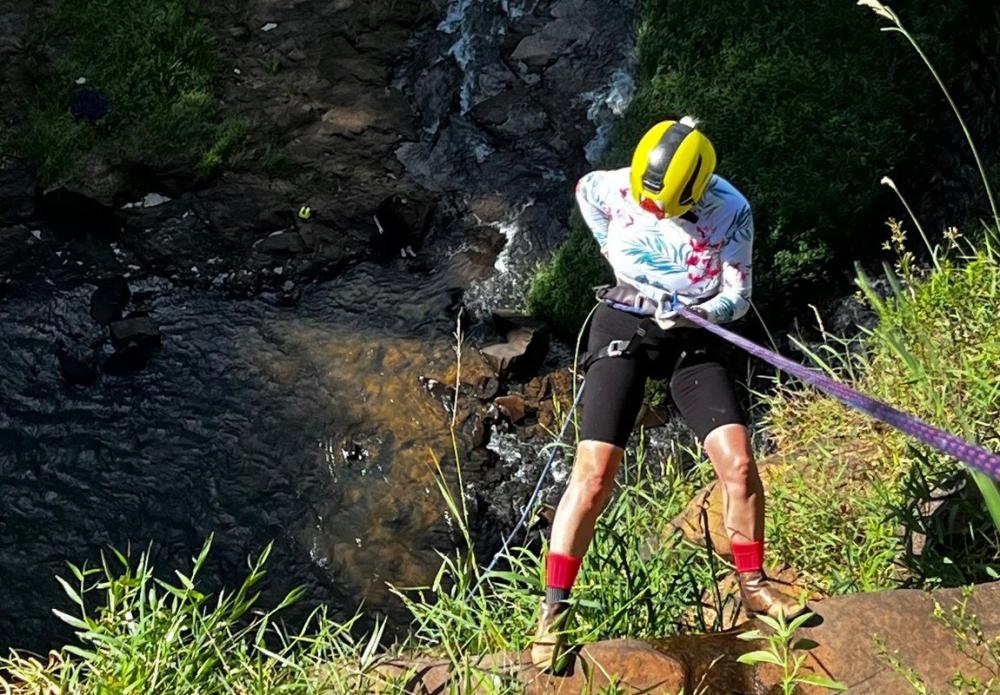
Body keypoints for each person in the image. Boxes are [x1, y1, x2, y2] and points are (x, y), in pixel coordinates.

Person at [531, 116, 805, 670]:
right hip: (625, 325)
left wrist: (696, 312)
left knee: (740, 466)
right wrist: (614, 253)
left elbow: (739, 296)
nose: (652, 210)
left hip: (692, 336)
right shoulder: (616, 185)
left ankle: (752, 584)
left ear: (696, 191)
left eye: (666, 205)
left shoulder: (732, 211)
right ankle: (554, 609)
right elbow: (586, 191)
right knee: (595, 472)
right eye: (647, 201)